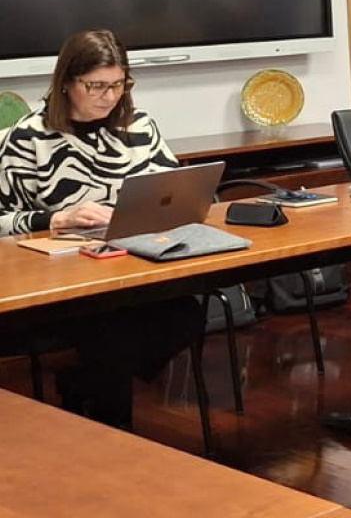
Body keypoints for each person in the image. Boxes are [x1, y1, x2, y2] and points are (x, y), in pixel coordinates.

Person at [0, 29, 203, 428]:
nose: (109, 97)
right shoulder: (28, 139)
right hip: (63, 279)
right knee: (112, 332)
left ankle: (82, 383)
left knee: (187, 315)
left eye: (118, 85)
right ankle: (113, 429)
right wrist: (54, 219)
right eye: (96, 86)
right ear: (66, 84)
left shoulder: (139, 127)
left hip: (136, 264)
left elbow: (174, 189)